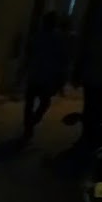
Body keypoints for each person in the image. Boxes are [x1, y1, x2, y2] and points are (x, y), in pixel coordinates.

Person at [21, 12, 69, 144]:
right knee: (44, 102)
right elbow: (63, 59)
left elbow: (28, 54)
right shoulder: (58, 39)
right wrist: (60, 77)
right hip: (47, 76)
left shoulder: (37, 36)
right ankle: (32, 122)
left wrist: (24, 70)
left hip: (35, 74)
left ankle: (28, 126)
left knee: (30, 103)